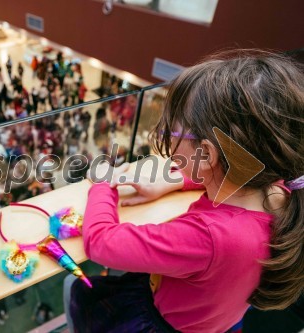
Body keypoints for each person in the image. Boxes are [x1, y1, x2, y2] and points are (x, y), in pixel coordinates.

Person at [66, 50, 304, 332]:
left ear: (207, 154)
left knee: (73, 287)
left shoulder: (205, 238)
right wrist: (173, 181)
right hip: (219, 321)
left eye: (175, 132)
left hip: (159, 322)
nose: (168, 138)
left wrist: (103, 183)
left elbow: (101, 243)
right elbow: (237, 173)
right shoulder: (280, 192)